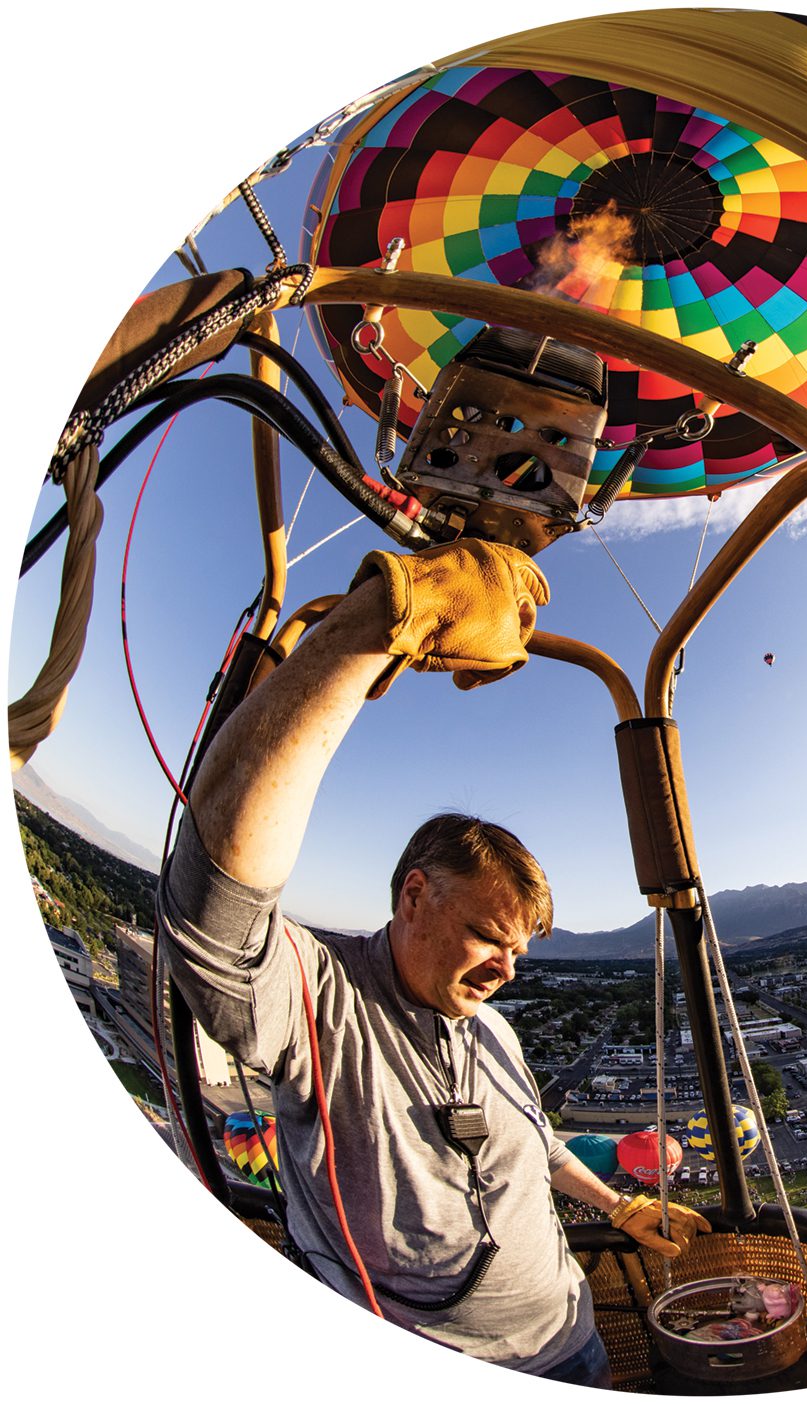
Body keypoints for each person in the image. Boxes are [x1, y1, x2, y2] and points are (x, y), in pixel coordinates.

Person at [157, 539, 709, 1384]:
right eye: (491, 936)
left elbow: (535, 1146)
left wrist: (620, 1204)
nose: (507, 970)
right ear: (414, 896)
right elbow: (216, 904)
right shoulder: (322, 997)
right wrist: (382, 621)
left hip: (574, 1345)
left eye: (520, 949)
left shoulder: (493, 1032)